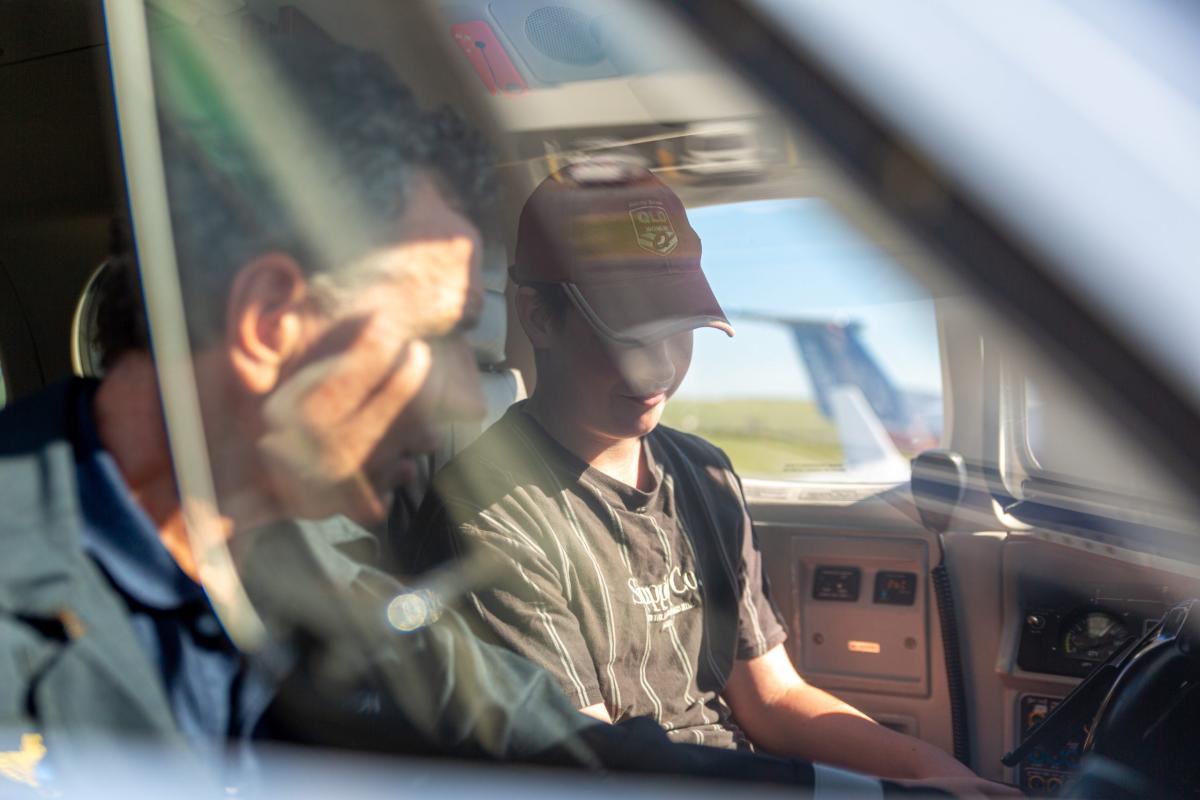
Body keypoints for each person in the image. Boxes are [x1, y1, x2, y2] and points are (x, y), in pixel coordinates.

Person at [0, 32, 988, 798]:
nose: (458, 397)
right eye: (431, 338)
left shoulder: (294, 573)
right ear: (270, 322)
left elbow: (561, 746)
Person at [400, 164, 1015, 792]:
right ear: (539, 316)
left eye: (681, 330)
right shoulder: (486, 516)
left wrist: (935, 773)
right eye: (629, 334)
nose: (660, 370)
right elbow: (592, 771)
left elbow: (772, 697)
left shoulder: (704, 473)